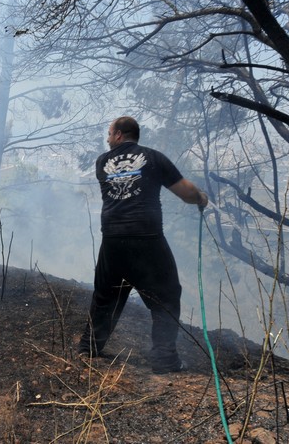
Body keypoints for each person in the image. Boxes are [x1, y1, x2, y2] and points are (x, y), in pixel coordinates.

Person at [78, 116, 208, 374]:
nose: (107, 138)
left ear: (118, 135)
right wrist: (201, 198)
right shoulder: (154, 157)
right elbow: (186, 192)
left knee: (106, 296)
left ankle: (89, 348)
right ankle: (164, 360)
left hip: (113, 239)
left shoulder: (102, 162)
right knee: (166, 297)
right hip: (147, 239)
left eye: (108, 133)